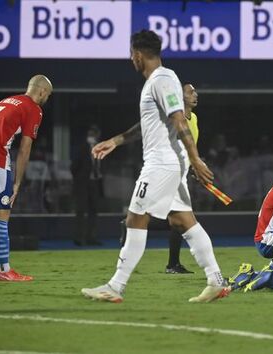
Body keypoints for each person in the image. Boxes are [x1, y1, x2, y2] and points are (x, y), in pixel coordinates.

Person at [81, 30, 228, 303]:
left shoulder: (161, 80)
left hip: (161, 163)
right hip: (169, 162)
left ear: (138, 54)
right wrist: (116, 140)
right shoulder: (160, 81)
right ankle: (216, 279)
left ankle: (116, 285)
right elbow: (150, 123)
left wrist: (195, 158)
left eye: (130, 55)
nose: (130, 60)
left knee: (135, 218)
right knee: (182, 220)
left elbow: (179, 119)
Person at [0, 75, 53, 281]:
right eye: (47, 95)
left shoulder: (7, 100)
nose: (46, 98)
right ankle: (4, 270)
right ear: (41, 92)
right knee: (2, 212)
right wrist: (18, 183)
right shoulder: (33, 108)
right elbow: (25, 147)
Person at [165, 83, 199, 274]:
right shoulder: (174, 119)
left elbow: (193, 146)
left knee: (176, 219)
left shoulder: (193, 118)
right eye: (191, 92)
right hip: (171, 173)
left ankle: (173, 264)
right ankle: (173, 264)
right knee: (180, 218)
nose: (195, 95)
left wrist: (196, 166)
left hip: (183, 173)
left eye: (195, 92)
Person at [70, 125, 103, 246]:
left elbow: (99, 166)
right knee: (81, 210)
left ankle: (91, 237)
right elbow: (74, 166)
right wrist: (79, 179)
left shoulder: (99, 148)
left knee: (93, 210)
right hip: (83, 183)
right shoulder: (83, 147)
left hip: (94, 182)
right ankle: (79, 238)